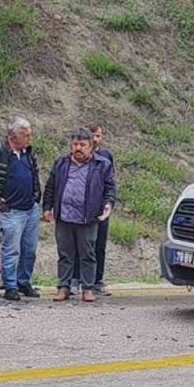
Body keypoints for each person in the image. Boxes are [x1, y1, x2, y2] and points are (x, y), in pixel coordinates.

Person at [42, 129, 116, 302]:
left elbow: (110, 188)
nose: (78, 148)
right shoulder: (61, 163)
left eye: (83, 145)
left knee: (87, 254)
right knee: (65, 254)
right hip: (64, 217)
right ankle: (63, 287)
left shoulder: (102, 164)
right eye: (75, 144)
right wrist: (47, 207)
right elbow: (50, 187)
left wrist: (108, 204)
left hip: (88, 217)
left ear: (91, 147)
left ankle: (88, 288)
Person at [0, 117, 41, 302]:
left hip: (31, 209)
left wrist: (36, 195)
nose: (30, 138)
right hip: (11, 211)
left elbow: (34, 174)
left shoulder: (29, 153)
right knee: (11, 251)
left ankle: (24, 282)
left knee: (30, 250)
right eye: (26, 135)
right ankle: (10, 286)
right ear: (13, 136)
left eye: (30, 134)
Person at [89, 123, 114, 296]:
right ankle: (76, 279)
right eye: (93, 135)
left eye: (99, 135)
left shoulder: (106, 157)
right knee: (82, 245)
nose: (96, 139)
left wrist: (109, 202)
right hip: (84, 209)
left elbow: (110, 183)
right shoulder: (79, 156)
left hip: (101, 208)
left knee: (100, 245)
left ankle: (98, 280)